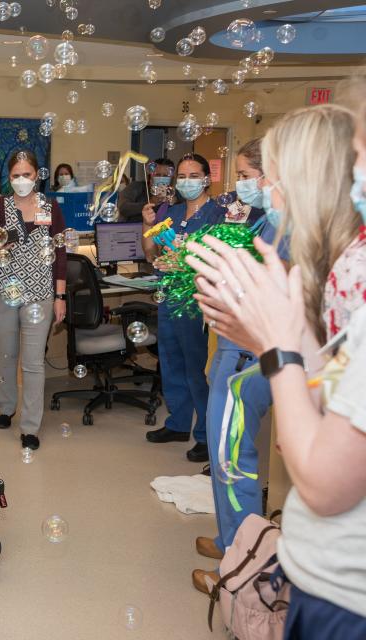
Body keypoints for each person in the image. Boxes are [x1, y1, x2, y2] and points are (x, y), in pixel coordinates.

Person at [186, 102, 365, 638]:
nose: (270, 194)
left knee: (234, 442)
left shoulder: (352, 272)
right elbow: (332, 393)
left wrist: (278, 349)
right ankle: (241, 548)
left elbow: (324, 477)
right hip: (327, 573)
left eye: (273, 180)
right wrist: (267, 341)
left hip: (345, 591)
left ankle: (240, 553)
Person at [190, 139, 286, 595]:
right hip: (239, 345)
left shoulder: (285, 228)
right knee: (227, 453)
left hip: (249, 354)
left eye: (246, 176)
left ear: (271, 177)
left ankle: (241, 572)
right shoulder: (269, 221)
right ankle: (235, 541)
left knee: (233, 459)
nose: (241, 185)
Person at [141, 153, 224, 462]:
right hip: (169, 293)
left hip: (197, 298)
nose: (187, 181)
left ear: (206, 178)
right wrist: (146, 224)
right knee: (171, 361)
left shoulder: (218, 214)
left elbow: (216, 257)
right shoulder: (171, 212)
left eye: (194, 175)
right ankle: (177, 423)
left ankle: (204, 433)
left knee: (196, 367)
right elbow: (150, 252)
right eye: (183, 176)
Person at [0, 150, 67, 450]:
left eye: (27, 175)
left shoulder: (50, 207)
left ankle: (31, 426)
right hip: (4, 291)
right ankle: (6, 407)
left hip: (41, 294)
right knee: (6, 355)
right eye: (16, 175)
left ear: (37, 176)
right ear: (9, 177)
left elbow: (60, 254)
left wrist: (60, 295)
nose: (21, 180)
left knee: (33, 363)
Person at [117, 158, 176, 223]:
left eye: (165, 176)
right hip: (132, 230)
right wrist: (151, 202)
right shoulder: (136, 187)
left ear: (171, 179)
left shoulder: (176, 194)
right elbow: (123, 208)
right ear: (150, 177)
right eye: (157, 175)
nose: (161, 178)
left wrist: (175, 205)